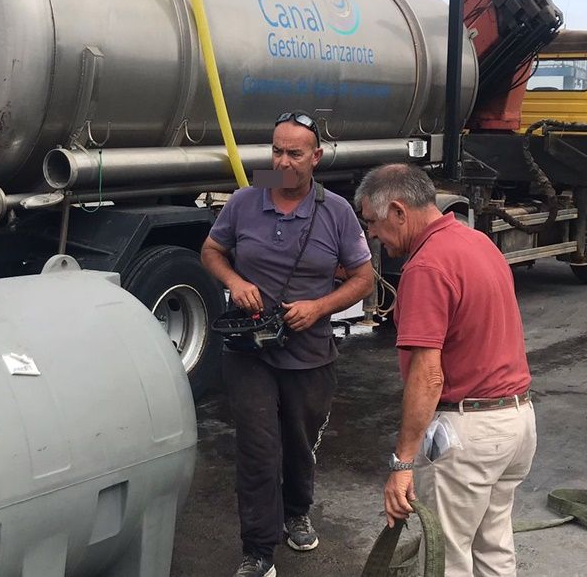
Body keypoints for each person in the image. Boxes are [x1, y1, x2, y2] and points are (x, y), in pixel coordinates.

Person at [201, 111, 374, 577]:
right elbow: (211, 251)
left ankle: (297, 510)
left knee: (298, 446)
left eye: (295, 153)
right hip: (250, 353)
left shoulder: (336, 210)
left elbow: (363, 278)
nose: (283, 161)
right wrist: (235, 281)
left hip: (310, 353)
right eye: (276, 150)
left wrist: (319, 308)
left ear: (315, 157)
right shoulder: (244, 200)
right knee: (258, 449)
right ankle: (257, 551)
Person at [355, 163, 536, 577]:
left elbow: (428, 375)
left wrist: (402, 464)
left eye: (373, 222)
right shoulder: (478, 243)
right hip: (517, 421)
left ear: (399, 211)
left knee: (444, 561)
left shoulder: (426, 267)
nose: (372, 235)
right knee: (493, 548)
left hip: (468, 434)